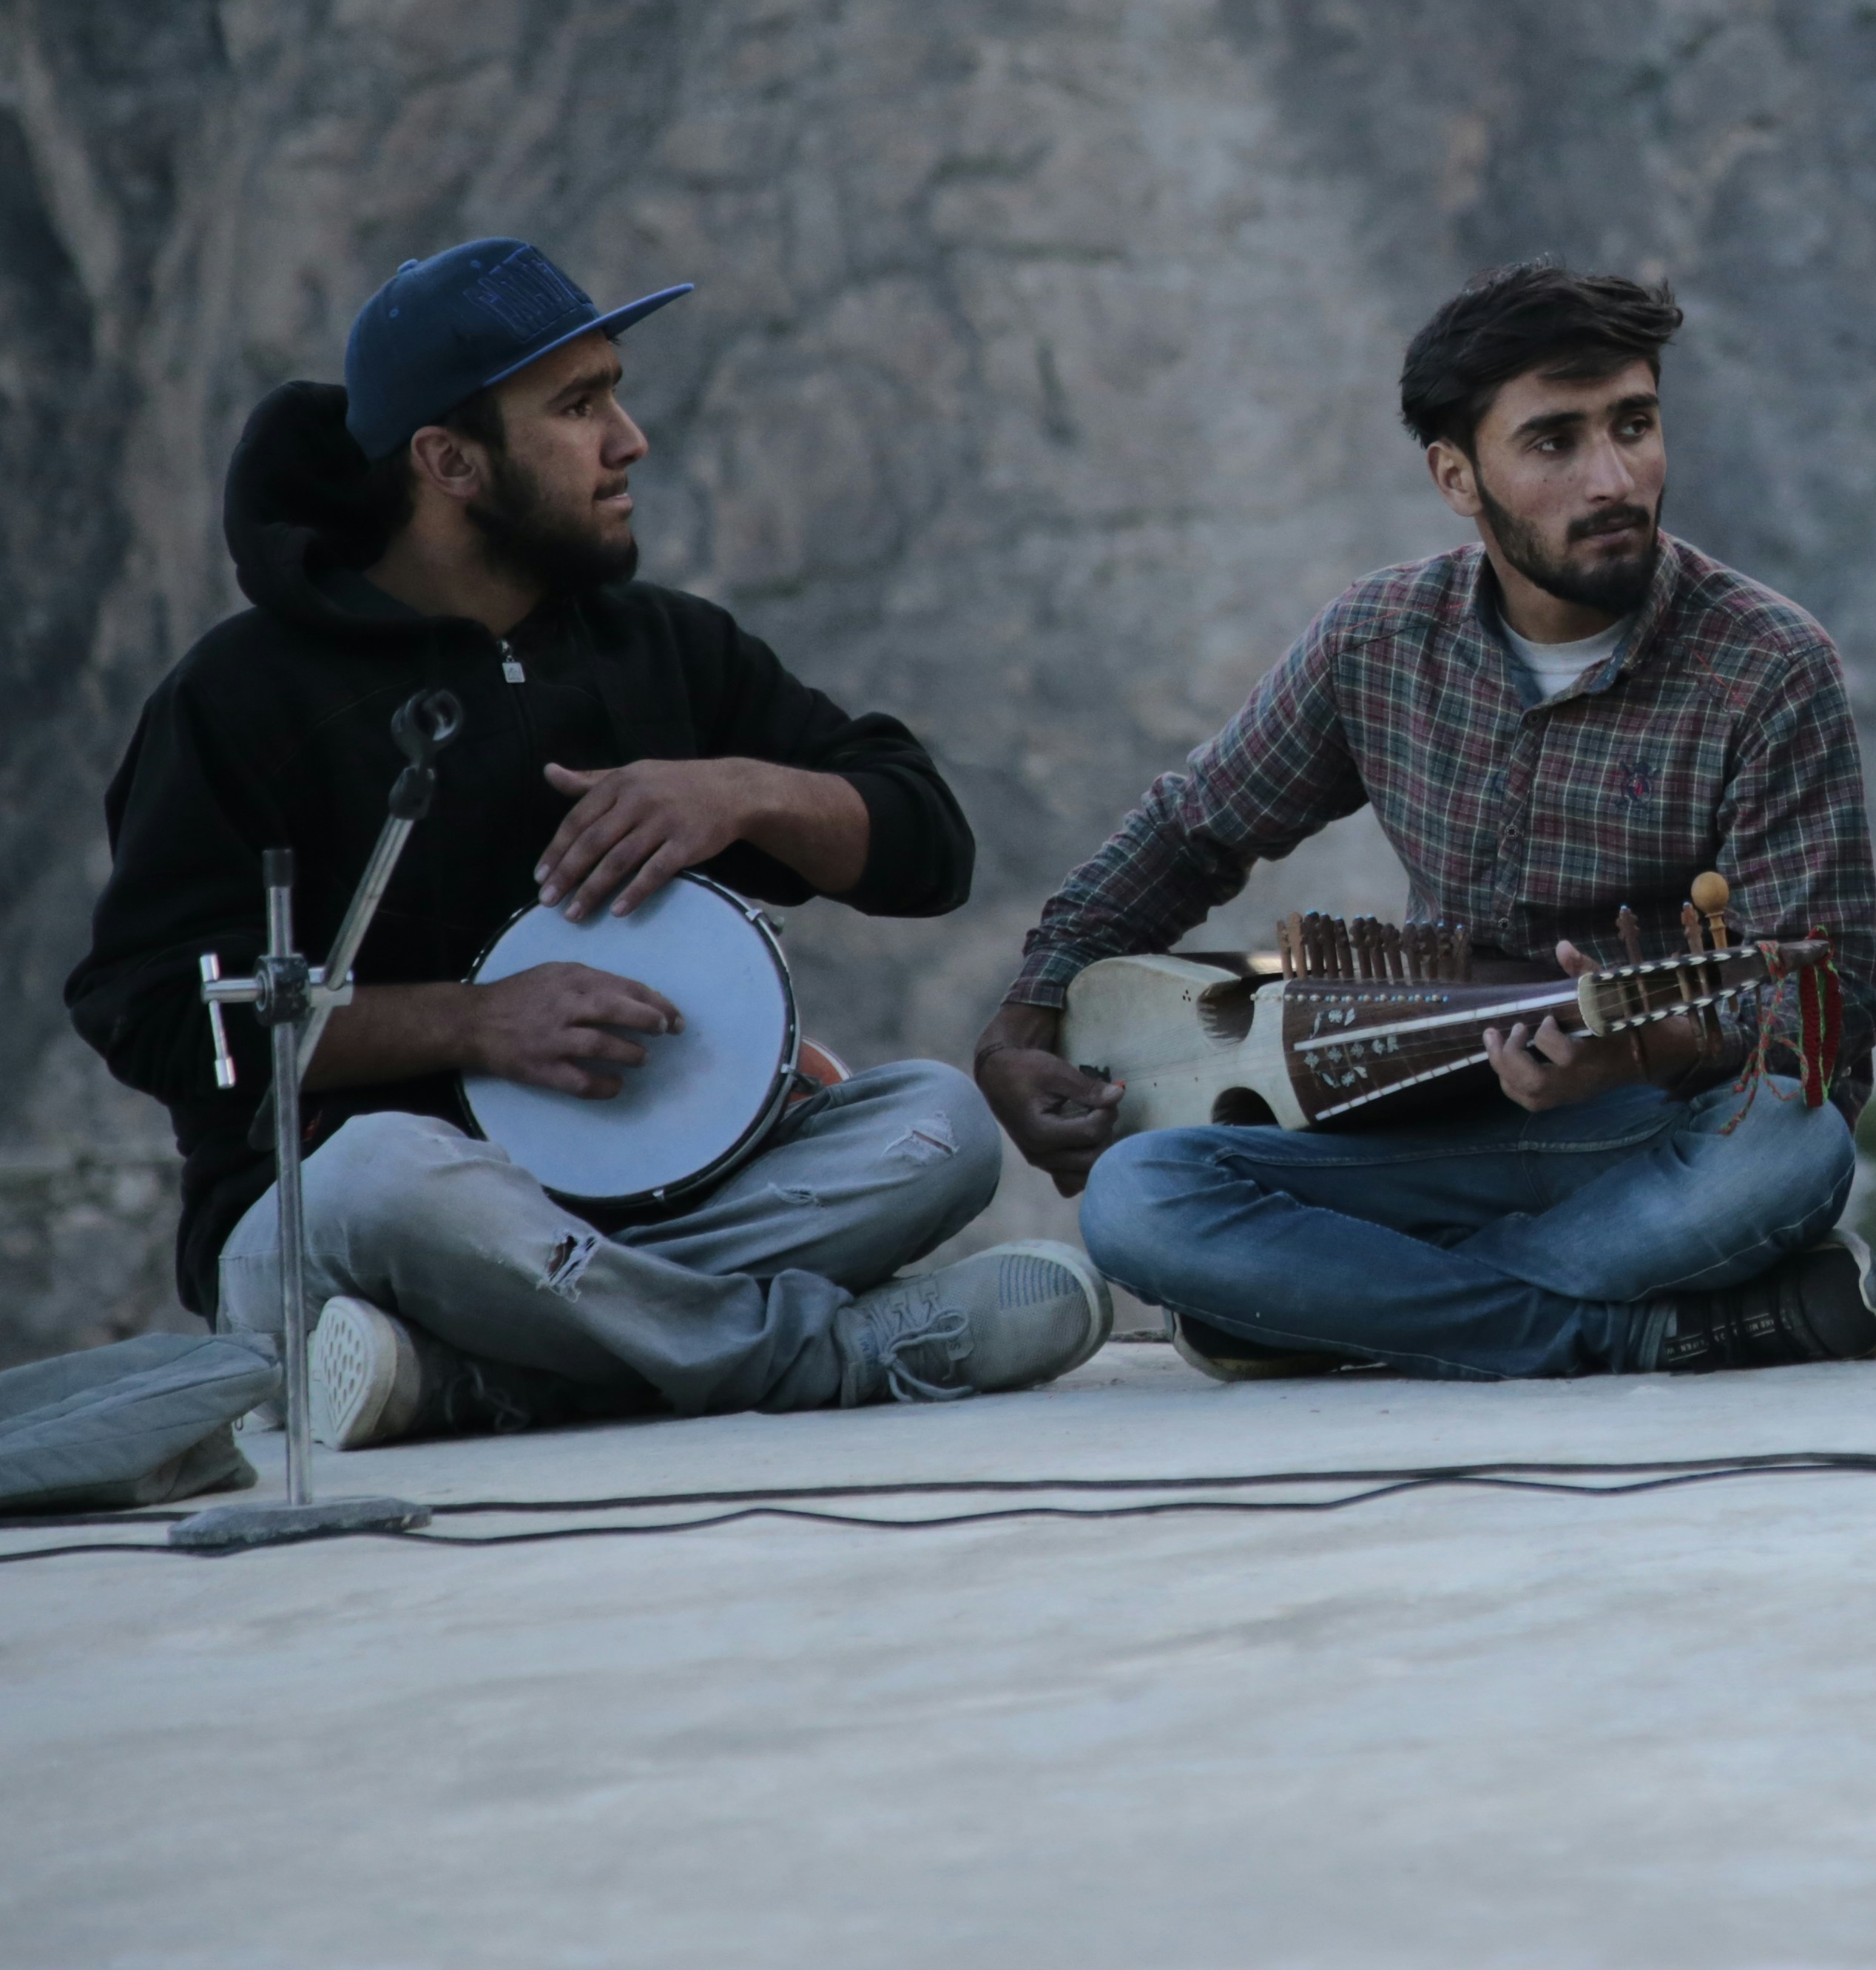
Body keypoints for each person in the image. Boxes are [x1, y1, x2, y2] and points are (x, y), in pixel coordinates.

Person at [68, 239, 1104, 1449]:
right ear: (449, 461)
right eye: (578, 405)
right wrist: (473, 1020)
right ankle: (819, 1356)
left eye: (615, 390)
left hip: (644, 1223)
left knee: (938, 1125)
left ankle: (470, 1384)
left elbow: (931, 848)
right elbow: (147, 1009)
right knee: (382, 1168)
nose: (630, 440)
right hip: (350, 1237)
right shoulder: (238, 697)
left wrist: (745, 793)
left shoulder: (663, 648)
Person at [979, 263, 1876, 1380]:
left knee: (1795, 1151)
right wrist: (1019, 1026)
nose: (1615, 478)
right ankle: (1625, 1329)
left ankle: (1341, 1302)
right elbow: (1192, 833)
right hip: (1424, 1124)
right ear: (1457, 476)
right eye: (1555, 442)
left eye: (1636, 426)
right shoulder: (1379, 639)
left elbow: (1824, 1022)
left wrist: (1631, 1057)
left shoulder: (1767, 665)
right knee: (1139, 1199)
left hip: (1646, 1136)